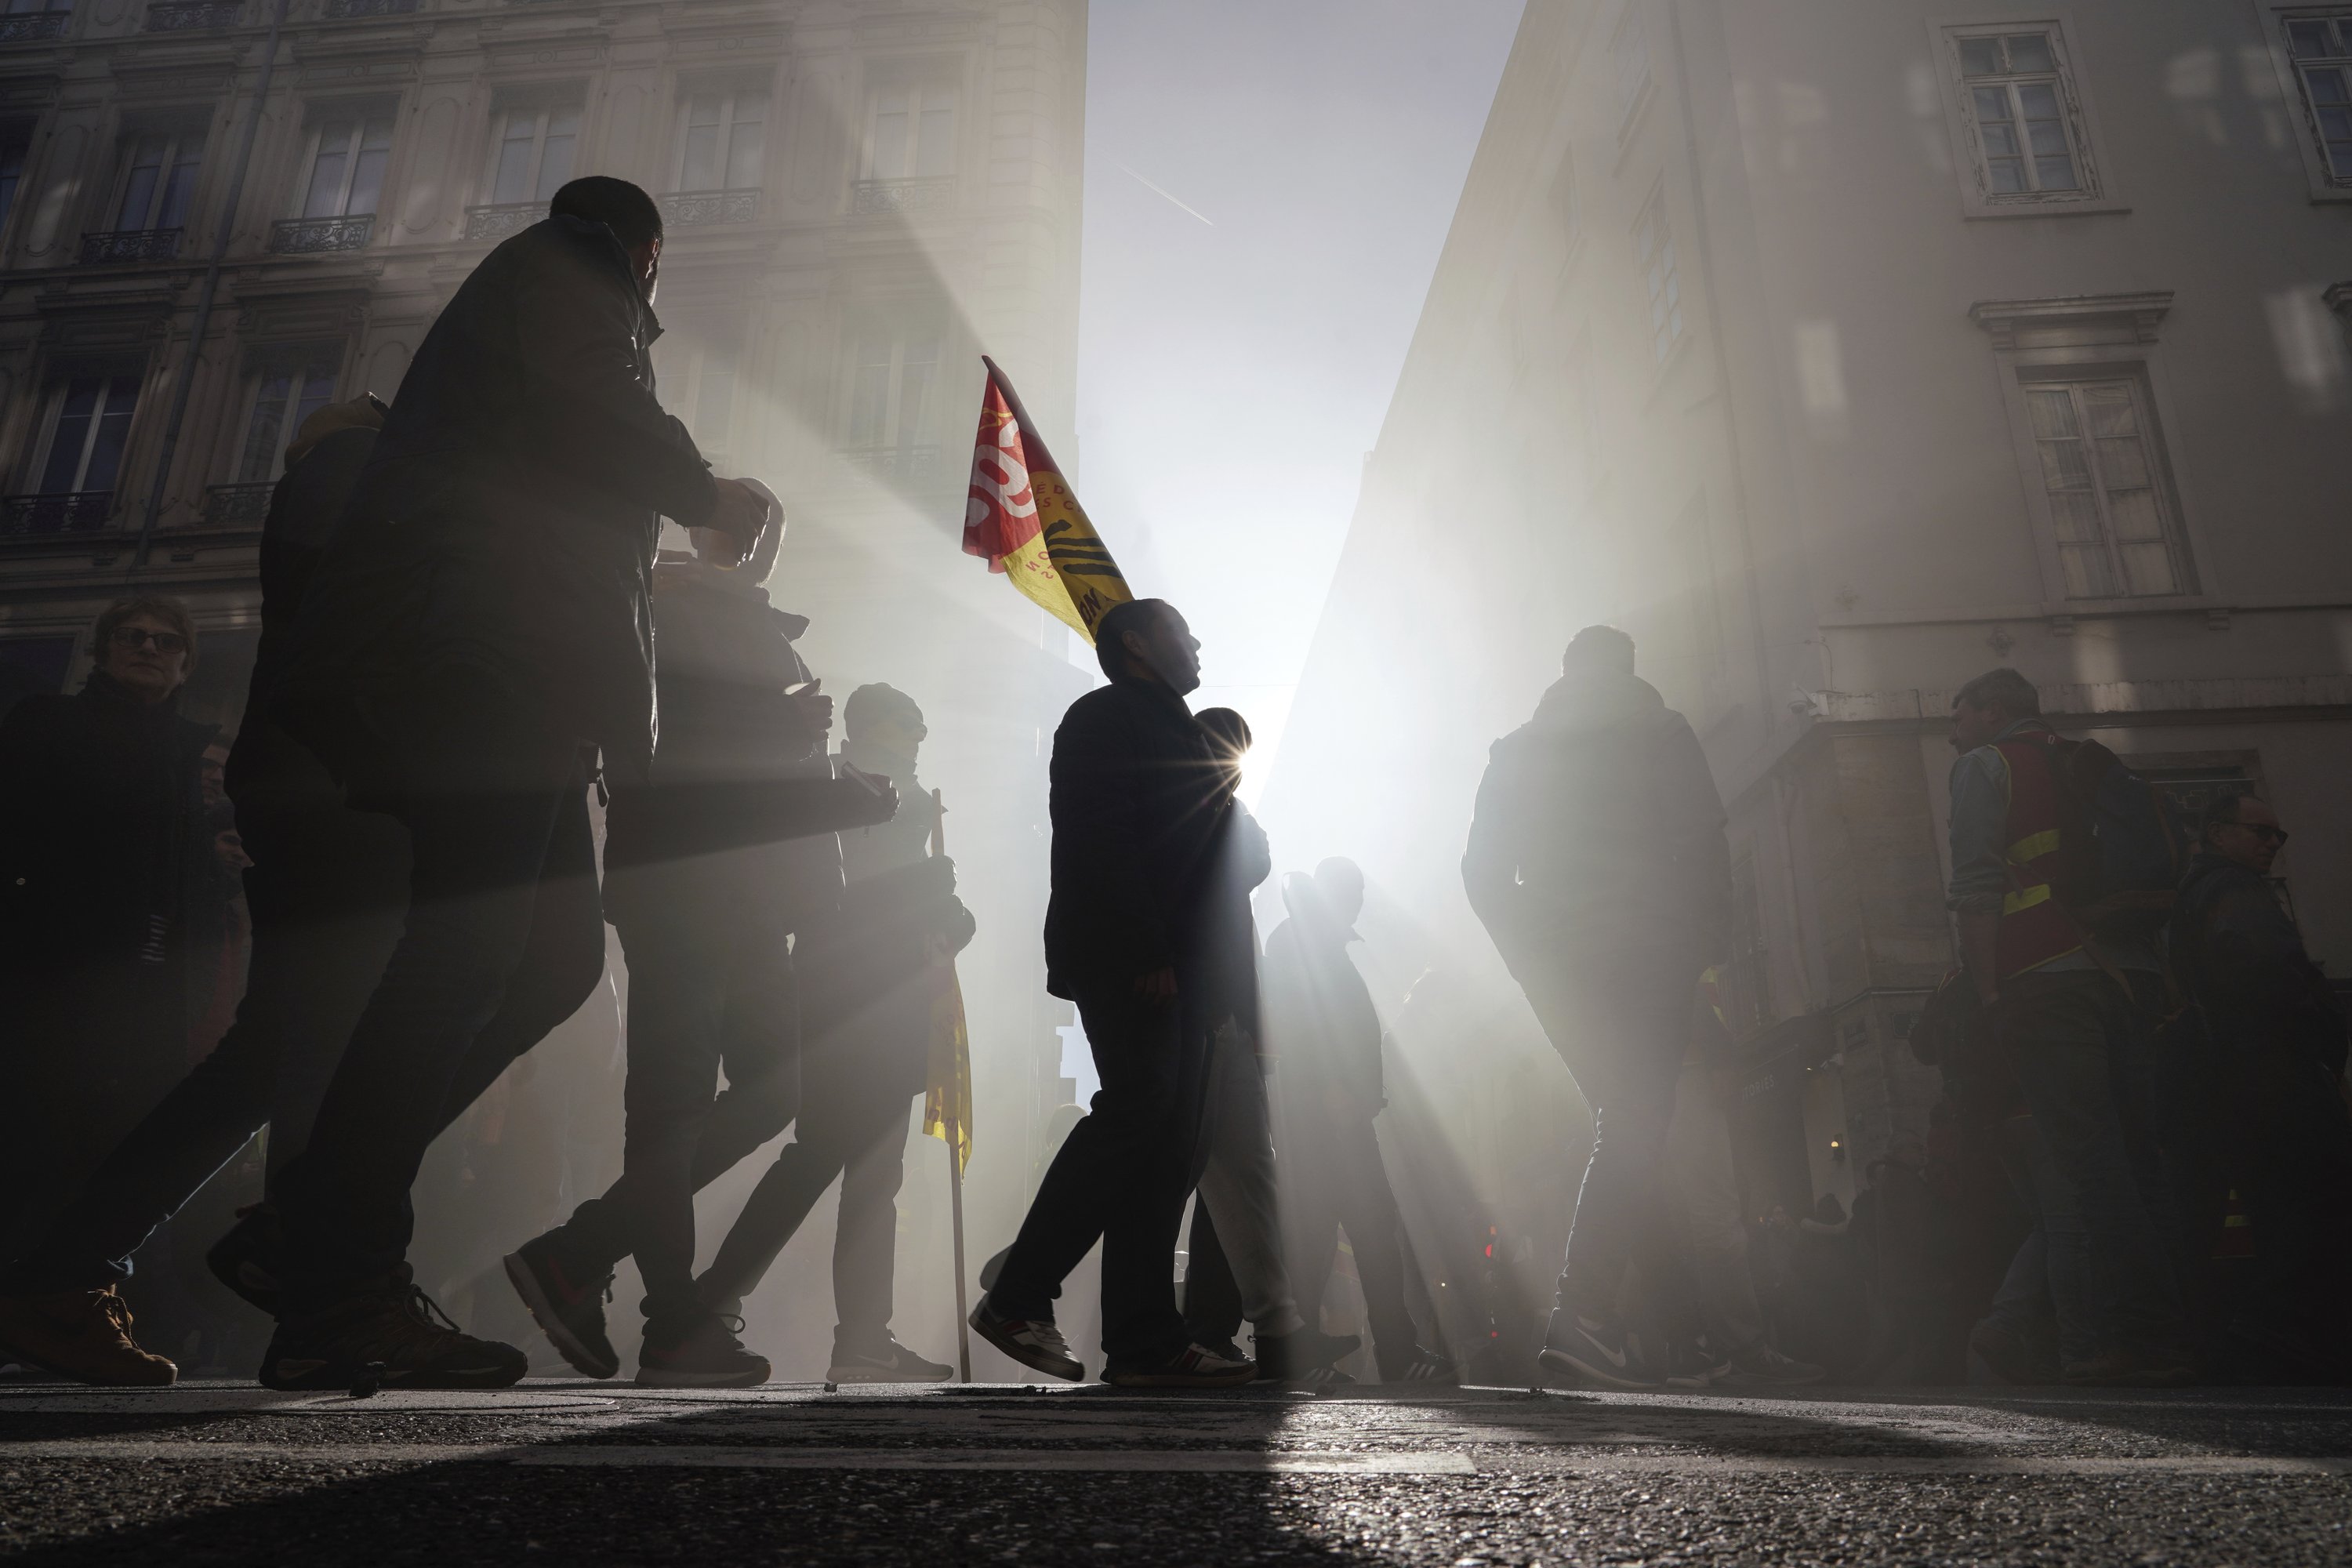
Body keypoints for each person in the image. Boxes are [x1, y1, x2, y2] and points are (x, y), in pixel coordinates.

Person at [249, 175, 779, 1391]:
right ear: (648, 255)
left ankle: (310, 1239)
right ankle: (334, 1277)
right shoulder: (569, 273)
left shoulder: (541, 288)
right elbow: (595, 406)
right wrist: (711, 495)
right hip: (488, 658)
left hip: (506, 657)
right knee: (470, 958)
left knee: (547, 963)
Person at [0, 397, 613, 1385]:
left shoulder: (352, 481)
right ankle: (316, 1284)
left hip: (333, 779)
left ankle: (89, 1273)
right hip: (350, 783)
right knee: (323, 1045)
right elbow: (375, 633)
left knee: (284, 1052)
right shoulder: (355, 470)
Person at [501, 517, 892, 1387]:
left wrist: (823, 775)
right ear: (699, 529)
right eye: (740, 521)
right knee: (674, 1107)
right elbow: (690, 769)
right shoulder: (667, 611)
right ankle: (673, 1323)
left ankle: (581, 1251)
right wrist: (833, 788)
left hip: (745, 898)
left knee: (766, 1092)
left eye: (770, 526)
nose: (756, 538)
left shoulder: (743, 623)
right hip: (686, 889)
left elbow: (745, 772)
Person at [967, 598, 1255, 1388]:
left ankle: (1143, 1339)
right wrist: (1143, 946)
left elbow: (1234, 859)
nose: (1196, 641)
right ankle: (1020, 1292)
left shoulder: (1183, 733)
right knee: (1138, 1109)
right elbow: (1104, 840)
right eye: (1180, 629)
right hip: (1136, 957)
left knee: (1164, 1143)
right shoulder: (1105, 718)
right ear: (1137, 643)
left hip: (1182, 964)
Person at [658, 681, 969, 1384]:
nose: (918, 735)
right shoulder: (876, 794)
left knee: (852, 1167)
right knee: (836, 1161)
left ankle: (849, 1334)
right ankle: (734, 1311)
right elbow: (856, 898)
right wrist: (932, 898)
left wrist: (939, 910)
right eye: (908, 726)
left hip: (858, 993)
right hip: (865, 1000)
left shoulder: (861, 787)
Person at [1461, 625, 1730, 1388]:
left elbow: (1481, 873)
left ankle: (1688, 1335)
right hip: (1652, 952)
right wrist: (1706, 940)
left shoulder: (1516, 751)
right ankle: (1587, 1318)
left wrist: (1526, 954)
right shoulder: (1665, 732)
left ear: (1567, 671)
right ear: (1629, 667)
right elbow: (1706, 839)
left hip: (1562, 969)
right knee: (1635, 1125)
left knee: (1628, 1126)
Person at [1944, 666, 2191, 1387]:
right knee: (2143, 1159)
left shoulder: (1985, 768)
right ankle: (2174, 1334)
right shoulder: (2087, 760)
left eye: (1957, 715)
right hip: (2132, 975)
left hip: (2049, 975)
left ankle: (2132, 1338)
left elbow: (1977, 882)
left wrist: (1987, 988)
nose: (1952, 733)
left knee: (2090, 1164)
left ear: (1990, 712)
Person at [0, 597, 225, 1382]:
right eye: (133, 637)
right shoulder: (48, 723)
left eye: (168, 642)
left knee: (114, 1148)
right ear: (102, 650)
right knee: (34, 1136)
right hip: (55, 970)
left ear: (186, 663)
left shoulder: (197, 753)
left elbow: (203, 876)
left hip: (158, 981)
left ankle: (65, 1302)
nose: (149, 648)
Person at [1172, 709, 1353, 1382]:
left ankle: (1275, 1332)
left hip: (1225, 1015)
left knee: (1241, 1175)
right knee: (1181, 1171)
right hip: (1200, 1012)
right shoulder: (1198, 808)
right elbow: (1250, 862)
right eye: (1231, 753)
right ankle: (1028, 1268)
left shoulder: (1214, 807)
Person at [2165, 789, 2352, 1381]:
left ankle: (2274, 1334)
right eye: (2261, 833)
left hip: (2241, 1080)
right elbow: (2271, 968)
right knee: (2316, 1201)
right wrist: (2323, 1030)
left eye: (2279, 836)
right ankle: (2286, 1332)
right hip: (2276, 1073)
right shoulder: (2232, 890)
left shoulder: (2202, 892)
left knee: (2281, 1206)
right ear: (2218, 834)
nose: (2274, 844)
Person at [1262, 859, 1453, 1384]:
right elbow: (1300, 1020)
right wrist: (1333, 1089)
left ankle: (1355, 1350)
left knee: (1350, 1233)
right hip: (1325, 1119)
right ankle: (1344, 1352)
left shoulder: (1313, 942)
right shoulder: (1299, 944)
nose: (1358, 899)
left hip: (1339, 1115)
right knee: (1336, 1234)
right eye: (1351, 891)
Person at [1652, 982, 1823, 1388]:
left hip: (1643, 1079)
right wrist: (1718, 1051)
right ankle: (1742, 1347)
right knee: (1714, 1213)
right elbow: (1676, 971)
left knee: (1666, 1217)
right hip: (1686, 1069)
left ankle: (1691, 1345)